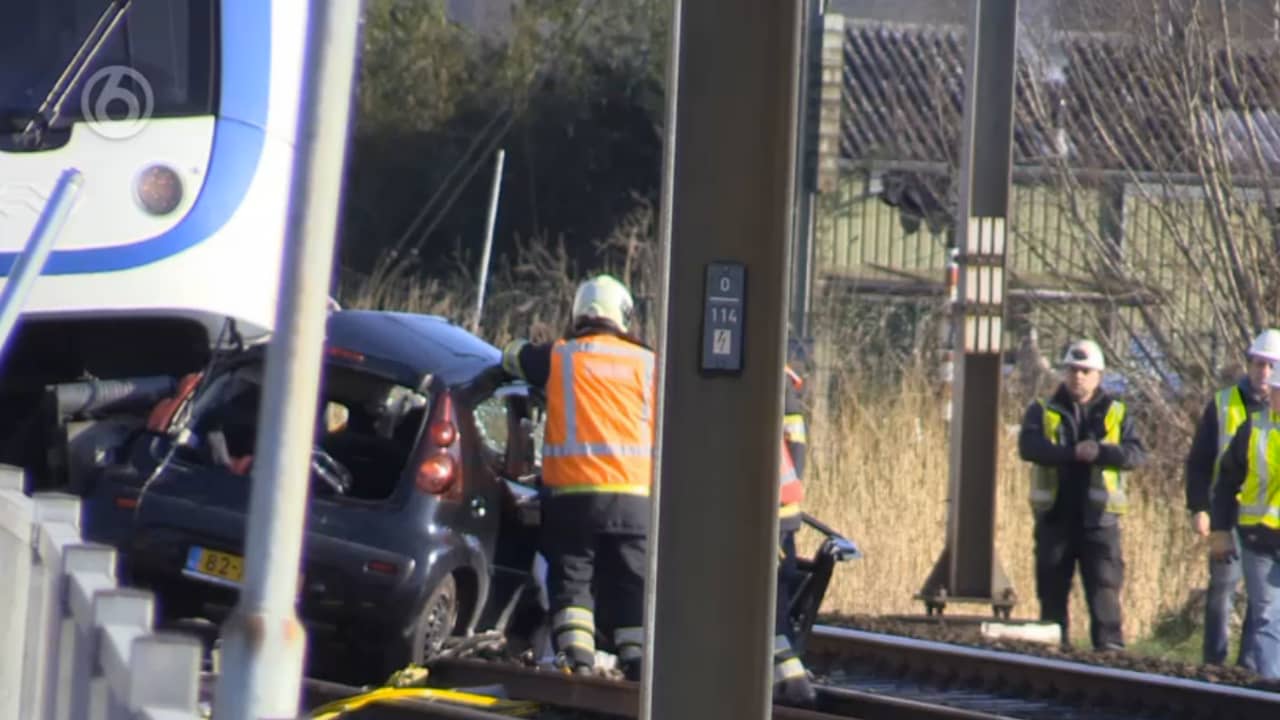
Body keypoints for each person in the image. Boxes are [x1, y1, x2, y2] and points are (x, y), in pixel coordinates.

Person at [497, 274, 655, 681]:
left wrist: (523, 343)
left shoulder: (560, 356)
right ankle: (637, 665)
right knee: (632, 585)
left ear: (579, 314)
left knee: (573, 580)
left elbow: (511, 356)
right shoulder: (648, 362)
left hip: (573, 496)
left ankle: (578, 663)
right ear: (624, 316)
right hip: (635, 497)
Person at [1018, 339, 1146, 650]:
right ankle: (1052, 666)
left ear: (1099, 375)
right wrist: (1071, 453)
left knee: (1105, 596)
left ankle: (1110, 662)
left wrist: (1100, 452)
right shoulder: (1043, 410)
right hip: (1056, 520)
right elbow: (1030, 448)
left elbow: (1136, 455)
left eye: (1085, 371)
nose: (1078, 376)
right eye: (1073, 370)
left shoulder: (1117, 413)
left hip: (1099, 524)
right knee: (1051, 600)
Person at [1185, 330, 1280, 667]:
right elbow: (1201, 462)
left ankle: (1250, 669)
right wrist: (1200, 508)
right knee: (1224, 590)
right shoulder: (1225, 404)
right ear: (1249, 363)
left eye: (1272, 366)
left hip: (1265, 523)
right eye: (1259, 364)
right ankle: (1216, 664)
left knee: (1264, 608)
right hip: (1230, 515)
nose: (1265, 373)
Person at [1211, 362, 1280, 680]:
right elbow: (1226, 482)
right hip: (1258, 538)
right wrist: (1221, 529)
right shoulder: (1253, 430)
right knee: (1267, 614)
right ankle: (1271, 686)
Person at [774, 365, 816, 707]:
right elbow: (796, 449)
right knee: (777, 594)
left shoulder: (770, 376)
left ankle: (792, 682)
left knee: (770, 600)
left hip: (769, 506)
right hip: (784, 503)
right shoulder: (782, 380)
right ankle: (790, 675)